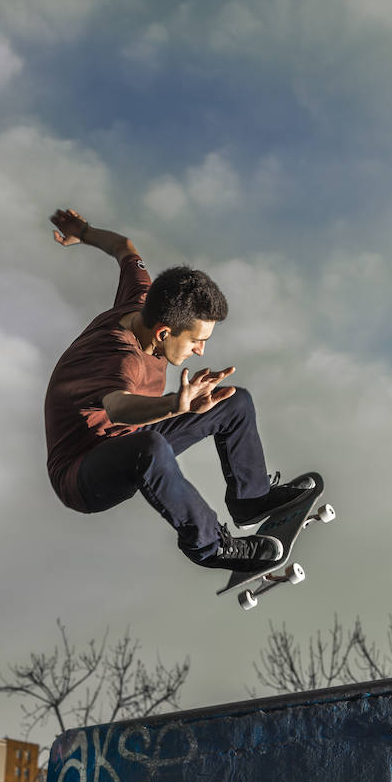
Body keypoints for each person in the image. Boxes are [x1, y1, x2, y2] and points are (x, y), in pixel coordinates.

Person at [44, 209, 312, 572]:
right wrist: (175, 404)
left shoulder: (143, 301)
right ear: (163, 333)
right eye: (196, 341)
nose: (200, 350)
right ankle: (210, 545)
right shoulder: (119, 359)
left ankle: (252, 498)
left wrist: (85, 231)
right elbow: (118, 406)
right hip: (82, 473)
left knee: (234, 403)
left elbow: (123, 248)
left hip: (130, 434)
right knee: (148, 449)